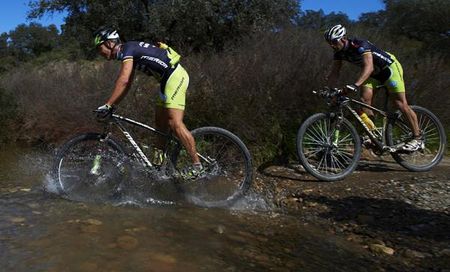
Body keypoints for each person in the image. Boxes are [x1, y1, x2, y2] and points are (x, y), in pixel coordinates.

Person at [93, 27, 204, 178]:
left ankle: (197, 166)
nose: (100, 53)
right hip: (166, 81)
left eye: (100, 48)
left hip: (175, 76)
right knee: (160, 125)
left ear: (110, 43)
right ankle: (158, 168)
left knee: (174, 123)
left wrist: (108, 104)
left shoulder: (128, 49)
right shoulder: (128, 52)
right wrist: (113, 105)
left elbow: (124, 80)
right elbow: (128, 83)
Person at [324, 24, 423, 152]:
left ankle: (418, 138)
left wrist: (355, 85)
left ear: (342, 39)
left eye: (333, 42)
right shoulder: (338, 52)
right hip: (374, 75)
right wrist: (331, 90)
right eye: (329, 43)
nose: (332, 45)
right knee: (364, 102)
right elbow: (335, 72)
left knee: (400, 104)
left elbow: (369, 67)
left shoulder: (359, 44)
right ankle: (373, 135)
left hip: (389, 69)